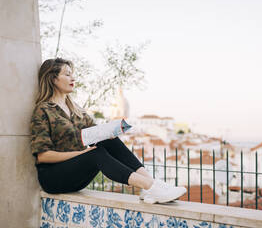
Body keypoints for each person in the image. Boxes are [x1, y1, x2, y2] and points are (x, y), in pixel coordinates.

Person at [30, 58, 186, 204]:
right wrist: (81, 154)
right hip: (53, 178)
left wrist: (109, 131)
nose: (73, 79)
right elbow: (43, 156)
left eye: (73, 75)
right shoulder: (43, 110)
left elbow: (95, 133)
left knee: (108, 140)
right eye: (67, 74)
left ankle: (150, 186)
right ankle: (150, 186)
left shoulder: (77, 110)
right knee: (95, 153)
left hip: (75, 174)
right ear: (53, 78)